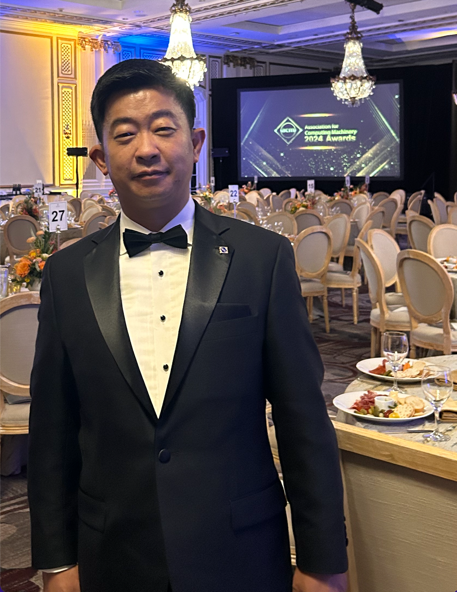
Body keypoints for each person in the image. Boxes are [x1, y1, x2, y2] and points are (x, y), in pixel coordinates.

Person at [28, 59, 348, 592]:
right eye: (125, 135)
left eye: (163, 128)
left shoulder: (262, 259)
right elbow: (52, 432)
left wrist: (323, 561)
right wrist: (57, 562)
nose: (146, 148)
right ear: (101, 158)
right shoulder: (65, 274)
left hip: (241, 553)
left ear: (195, 143)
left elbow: (303, 422)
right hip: (112, 555)